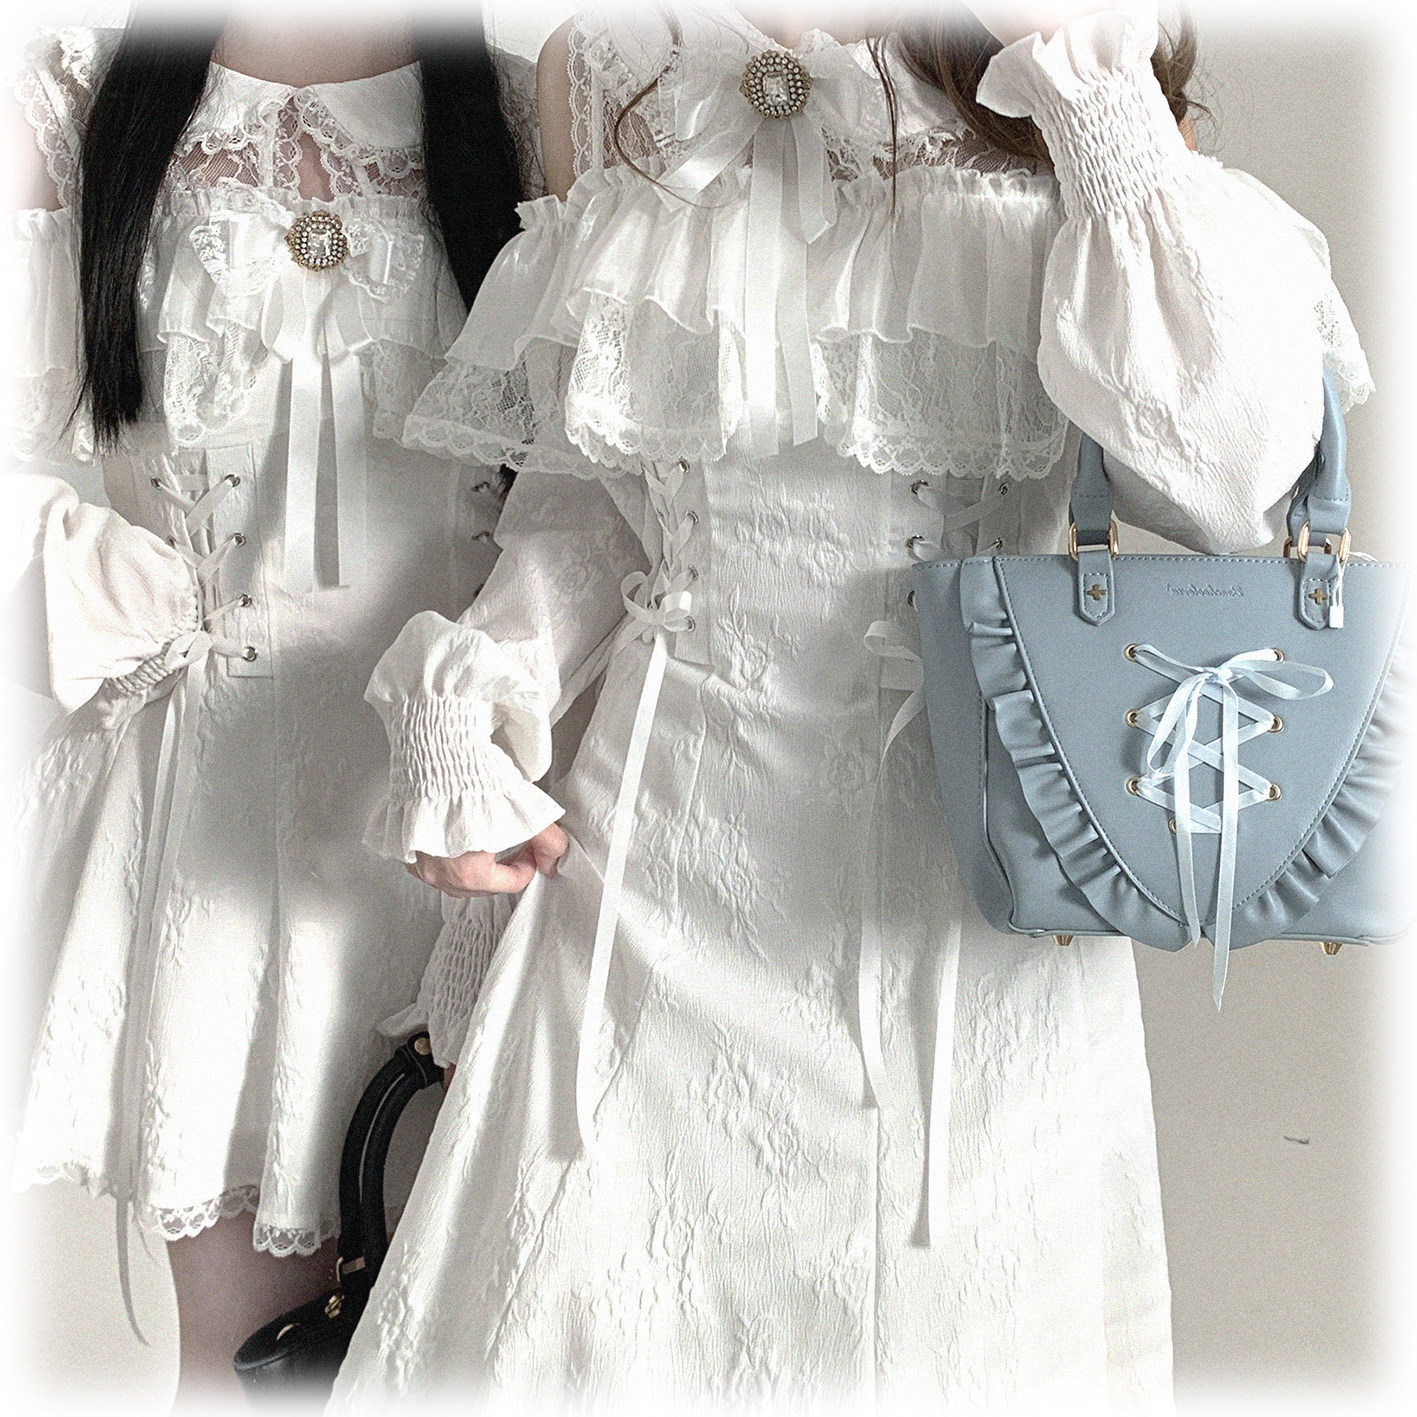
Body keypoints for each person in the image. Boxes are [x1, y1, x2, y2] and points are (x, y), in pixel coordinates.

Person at [333, 0, 1371, 1406]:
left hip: (978, 903)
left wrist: (1086, 87)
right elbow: (601, 495)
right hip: (658, 880)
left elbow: (1234, 479)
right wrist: (480, 696)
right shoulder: (610, 61)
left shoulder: (1078, 50)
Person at [3, 4, 539, 1394]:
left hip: (461, 824)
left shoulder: (531, 113)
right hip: (214, 833)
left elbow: (597, 488)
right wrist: (102, 577)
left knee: (474, 1357)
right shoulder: (74, 102)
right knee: (252, 1365)